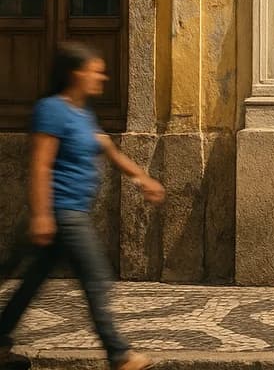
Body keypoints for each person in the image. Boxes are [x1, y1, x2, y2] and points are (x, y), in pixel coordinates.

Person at [0, 43, 166, 370]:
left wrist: (143, 178)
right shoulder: (52, 110)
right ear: (76, 74)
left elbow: (108, 150)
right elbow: (40, 165)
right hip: (62, 213)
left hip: (70, 213)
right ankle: (119, 355)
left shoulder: (82, 113)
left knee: (29, 281)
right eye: (95, 70)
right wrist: (42, 216)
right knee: (95, 278)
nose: (101, 77)